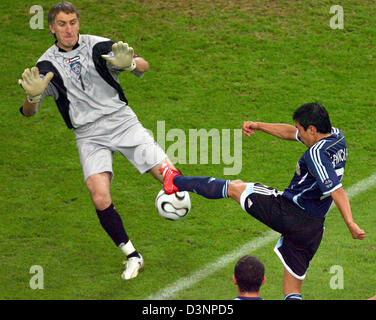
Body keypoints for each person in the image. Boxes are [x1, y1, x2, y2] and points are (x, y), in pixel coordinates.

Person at [18, 2, 178, 280]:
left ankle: (204, 192)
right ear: (52, 28)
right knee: (99, 195)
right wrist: (32, 98)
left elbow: (144, 66)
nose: (68, 29)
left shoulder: (98, 46)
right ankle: (132, 255)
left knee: (171, 178)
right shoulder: (45, 65)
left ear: (78, 23)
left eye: (72, 22)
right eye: (62, 24)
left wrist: (129, 64)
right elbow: (28, 113)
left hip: (121, 120)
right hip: (88, 134)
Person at [161, 102, 365, 299]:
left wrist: (350, 223)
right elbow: (289, 133)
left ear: (312, 129)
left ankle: (175, 181)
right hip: (312, 229)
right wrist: (258, 126)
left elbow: (336, 190)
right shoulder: (337, 137)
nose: (298, 134)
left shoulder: (316, 153)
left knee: (235, 187)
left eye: (300, 129)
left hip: (288, 212)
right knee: (291, 291)